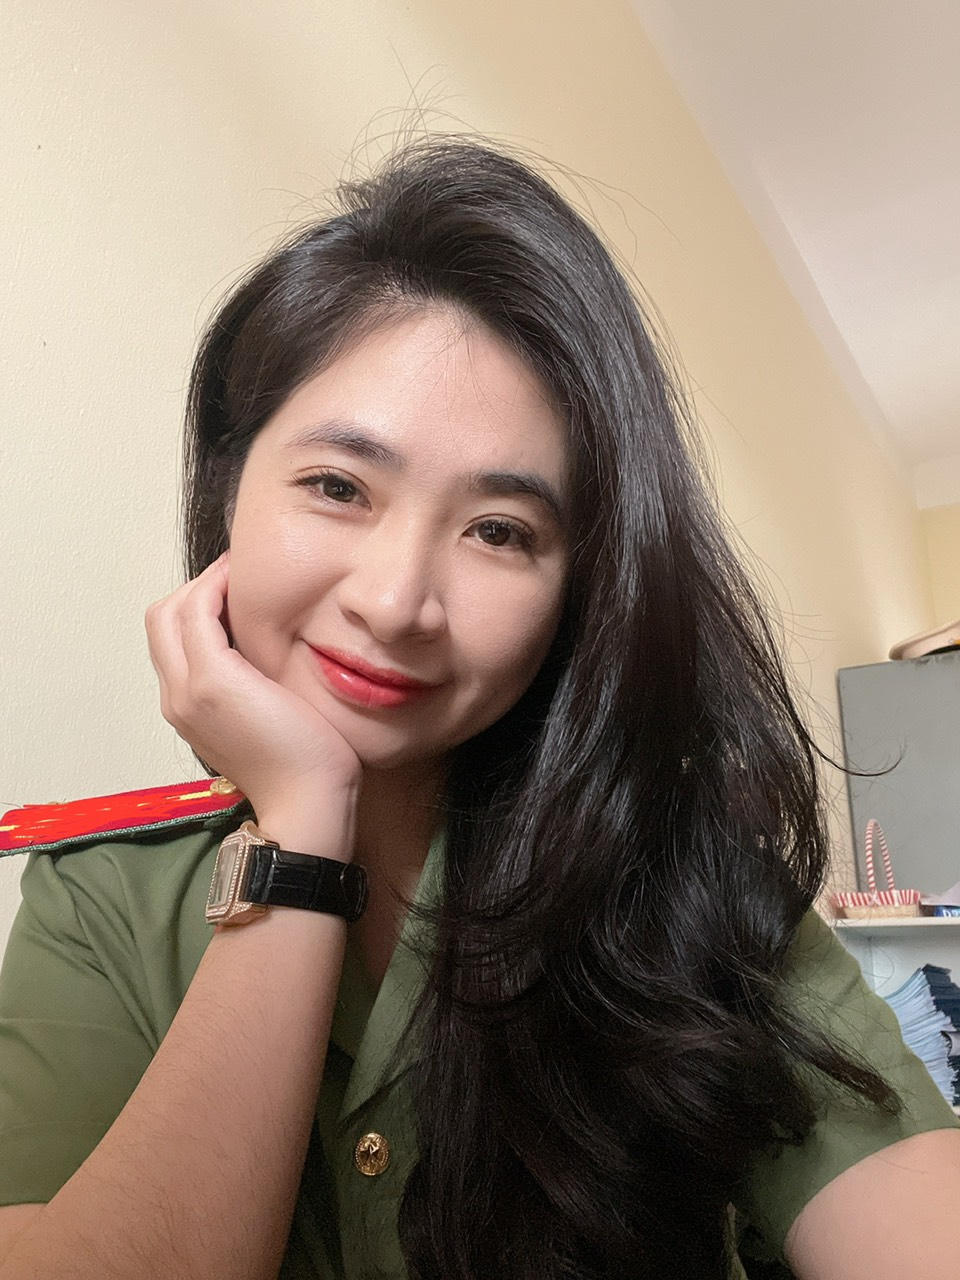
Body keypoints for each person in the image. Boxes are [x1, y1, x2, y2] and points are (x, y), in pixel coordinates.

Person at [0, 135, 958, 1280]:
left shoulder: (688, 881)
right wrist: (300, 830)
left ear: (579, 584)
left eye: (500, 530)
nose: (397, 601)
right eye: (338, 485)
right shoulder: (99, 896)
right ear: (227, 490)